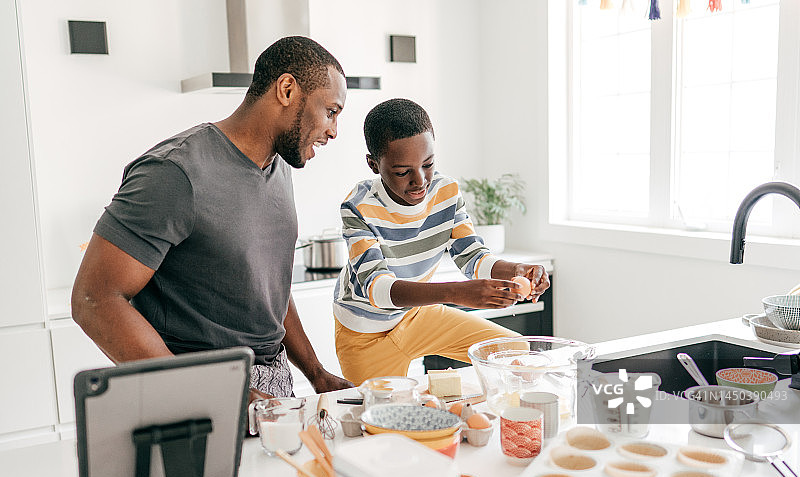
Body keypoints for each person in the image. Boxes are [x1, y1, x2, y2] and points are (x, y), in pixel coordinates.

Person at [71, 36, 353, 402]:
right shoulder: (175, 171)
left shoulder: (278, 167)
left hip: (272, 385)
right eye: (330, 111)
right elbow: (94, 298)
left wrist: (316, 373)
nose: (333, 130)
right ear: (286, 89)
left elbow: (268, 289)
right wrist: (214, 392)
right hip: (192, 390)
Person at [333, 98, 550, 385]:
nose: (420, 180)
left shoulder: (445, 192)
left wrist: (516, 271)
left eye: (428, 164)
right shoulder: (358, 206)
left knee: (515, 352)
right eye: (402, 172)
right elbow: (378, 289)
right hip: (366, 333)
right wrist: (457, 294)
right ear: (373, 164)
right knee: (380, 422)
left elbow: (472, 257)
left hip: (418, 316)